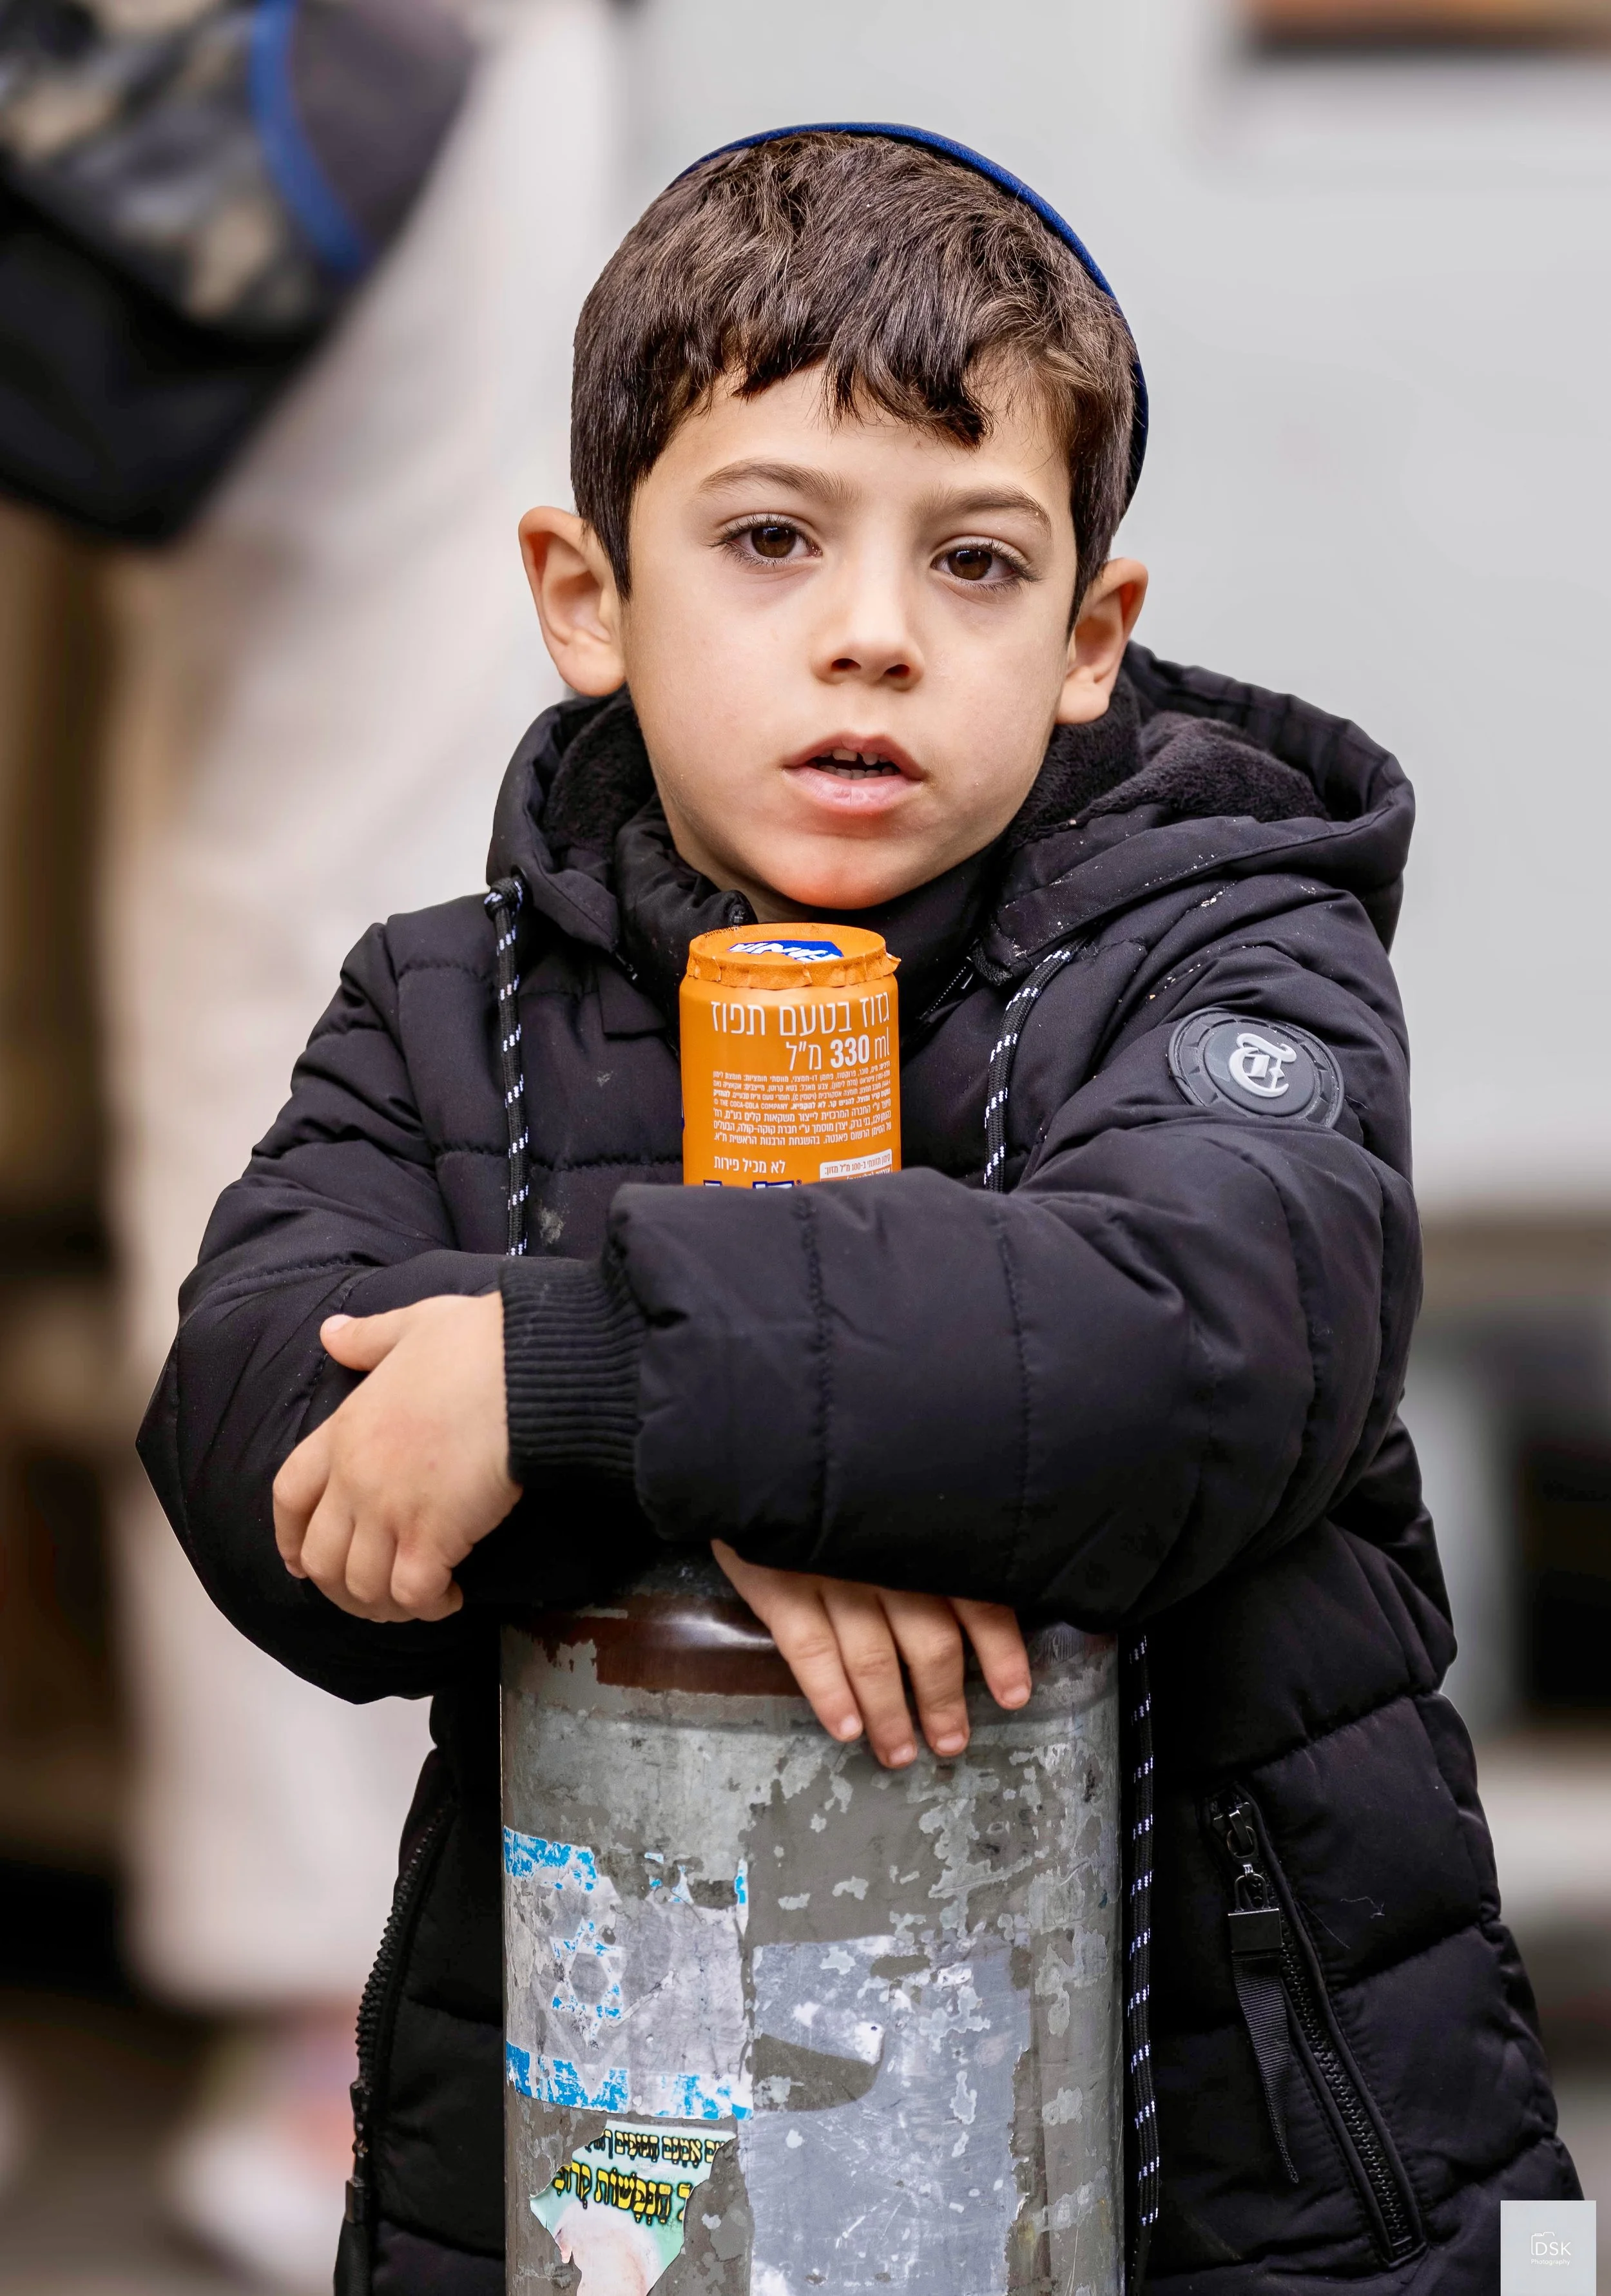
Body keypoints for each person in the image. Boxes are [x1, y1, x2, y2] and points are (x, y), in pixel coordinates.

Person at [139, 124, 1578, 2295]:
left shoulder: (1225, 956)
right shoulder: (446, 1012)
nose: (875, 638)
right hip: (606, 2161)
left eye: (976, 563)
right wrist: (765, 1474)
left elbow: (1201, 1335)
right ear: (585, 597)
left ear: (1094, 635)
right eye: (772, 538)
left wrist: (573, 1381)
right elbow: (266, 1426)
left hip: (1266, 2183)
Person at [100, 1, 619, 2281]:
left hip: (340, 101)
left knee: (295, 913)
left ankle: (342, 1977)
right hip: (380, 84)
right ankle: (352, 1970)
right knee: (339, 916)